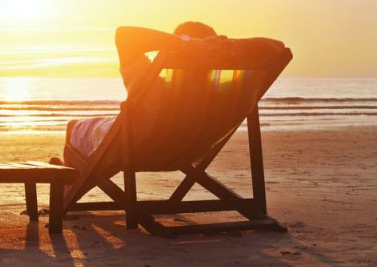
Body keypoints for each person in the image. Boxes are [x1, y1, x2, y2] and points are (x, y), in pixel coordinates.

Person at [60, 22, 285, 165]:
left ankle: (69, 177)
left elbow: (124, 35)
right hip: (190, 149)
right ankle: (70, 174)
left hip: (138, 146)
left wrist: (188, 45)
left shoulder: (154, 87)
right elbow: (277, 47)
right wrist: (227, 46)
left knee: (75, 127)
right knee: (106, 127)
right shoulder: (224, 94)